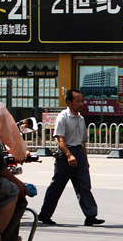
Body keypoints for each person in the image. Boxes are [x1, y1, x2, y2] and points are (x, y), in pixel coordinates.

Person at [38, 89, 104, 226]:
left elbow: (83, 141)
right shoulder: (63, 117)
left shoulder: (81, 118)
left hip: (79, 154)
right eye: (78, 101)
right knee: (57, 186)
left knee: (84, 186)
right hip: (65, 155)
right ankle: (45, 215)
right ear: (69, 102)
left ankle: (90, 216)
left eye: (82, 100)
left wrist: (85, 159)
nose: (81, 103)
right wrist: (69, 155)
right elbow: (60, 140)